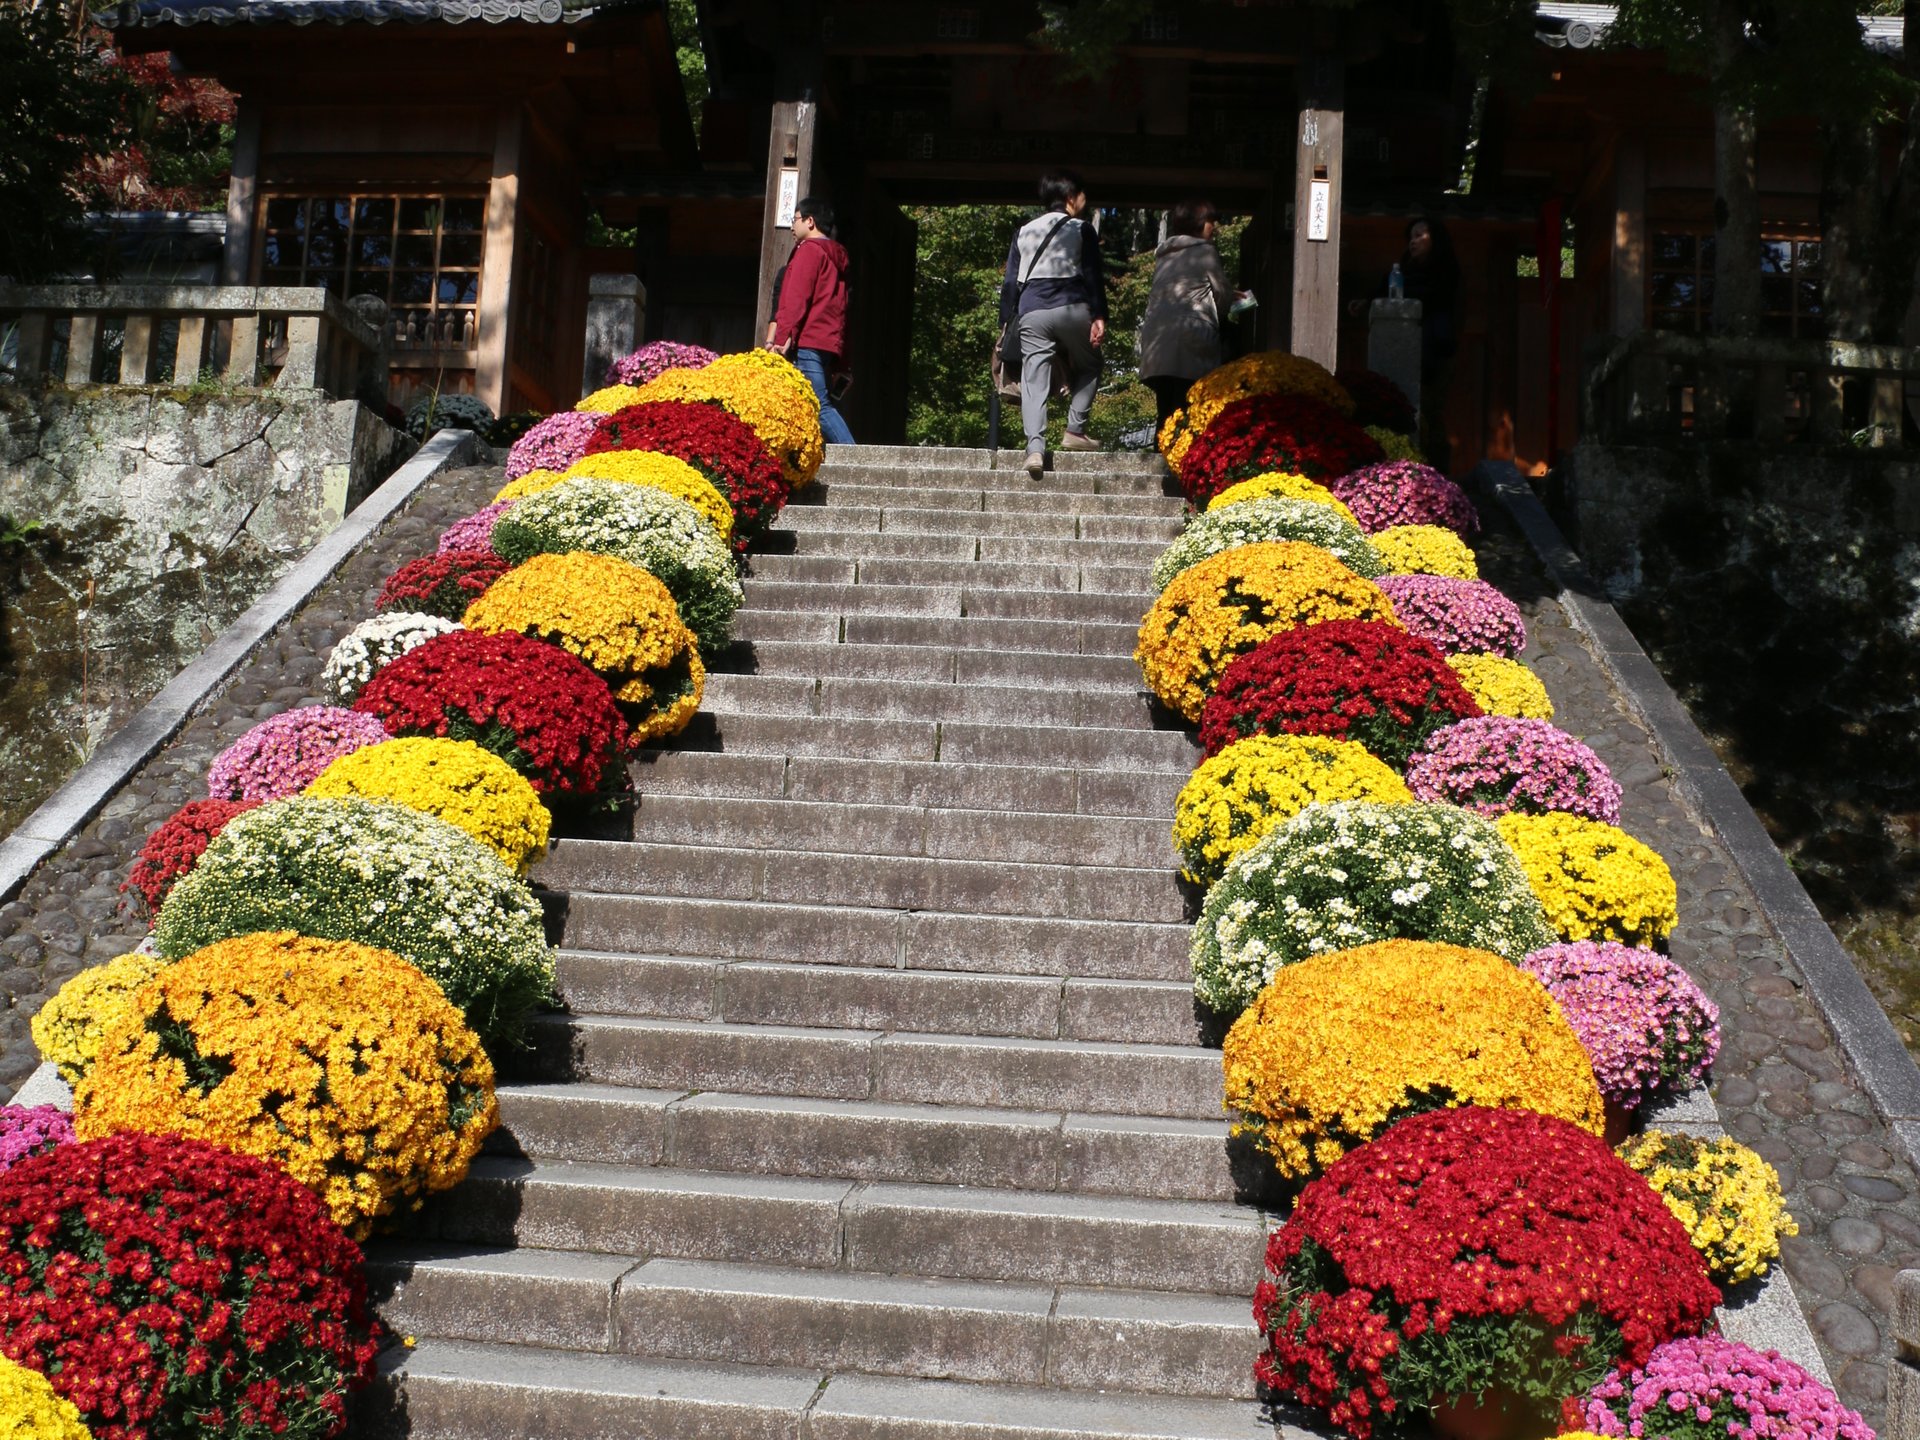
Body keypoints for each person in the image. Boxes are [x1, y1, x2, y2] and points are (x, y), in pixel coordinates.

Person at [1000, 168, 1107, 478]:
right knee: (1090, 364)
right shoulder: (1081, 228)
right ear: (1070, 197)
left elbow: (1010, 283)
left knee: (1034, 380)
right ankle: (1075, 429)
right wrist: (1100, 315)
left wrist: (1005, 321)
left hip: (1032, 310)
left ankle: (1035, 447)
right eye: (1083, 197)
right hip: (1072, 306)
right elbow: (1092, 275)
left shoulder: (1024, 231)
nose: (1084, 203)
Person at [1351, 216, 1460, 470]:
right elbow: (1384, 293)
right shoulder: (1401, 270)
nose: (1414, 241)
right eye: (1411, 236)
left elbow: (1435, 299)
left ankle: (1436, 468)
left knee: (1430, 411)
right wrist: (1365, 303)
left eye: (1421, 235)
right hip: (1401, 349)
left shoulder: (1445, 269)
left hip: (1436, 351)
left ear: (1436, 239)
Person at [1138, 198, 1244, 430]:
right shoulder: (1204, 251)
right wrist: (1230, 307)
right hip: (1190, 339)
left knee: (1166, 409)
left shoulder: (1164, 255)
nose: (1213, 226)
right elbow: (1222, 295)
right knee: (1189, 404)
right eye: (1210, 221)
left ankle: (1162, 457)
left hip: (1156, 341)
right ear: (1197, 223)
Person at [769, 196, 854, 445]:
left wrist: (782, 335)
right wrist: (844, 362)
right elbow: (842, 310)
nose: (792, 227)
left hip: (809, 339)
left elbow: (796, 297)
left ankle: (857, 457)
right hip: (828, 341)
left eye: (794, 220)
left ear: (810, 221)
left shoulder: (809, 251)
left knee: (819, 405)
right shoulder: (837, 257)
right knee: (804, 403)